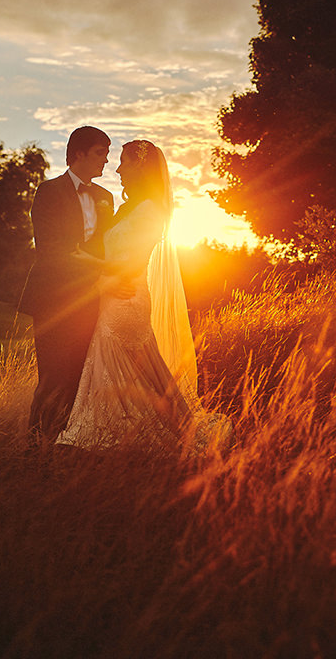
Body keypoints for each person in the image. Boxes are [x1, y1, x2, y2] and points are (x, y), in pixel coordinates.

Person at [56, 139, 226, 452]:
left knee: (123, 363)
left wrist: (86, 261)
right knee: (145, 369)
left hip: (126, 296)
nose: (117, 169)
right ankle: (153, 429)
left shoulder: (152, 211)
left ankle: (109, 433)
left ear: (141, 167)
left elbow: (132, 262)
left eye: (124, 162)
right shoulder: (128, 207)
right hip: (111, 293)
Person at [21, 126, 115, 440]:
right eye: (100, 152)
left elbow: (107, 244)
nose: (106, 160)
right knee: (52, 377)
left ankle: (66, 444)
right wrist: (91, 269)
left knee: (79, 376)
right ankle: (36, 448)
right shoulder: (48, 191)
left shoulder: (105, 197)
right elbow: (50, 247)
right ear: (78, 154)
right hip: (54, 298)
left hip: (92, 299)